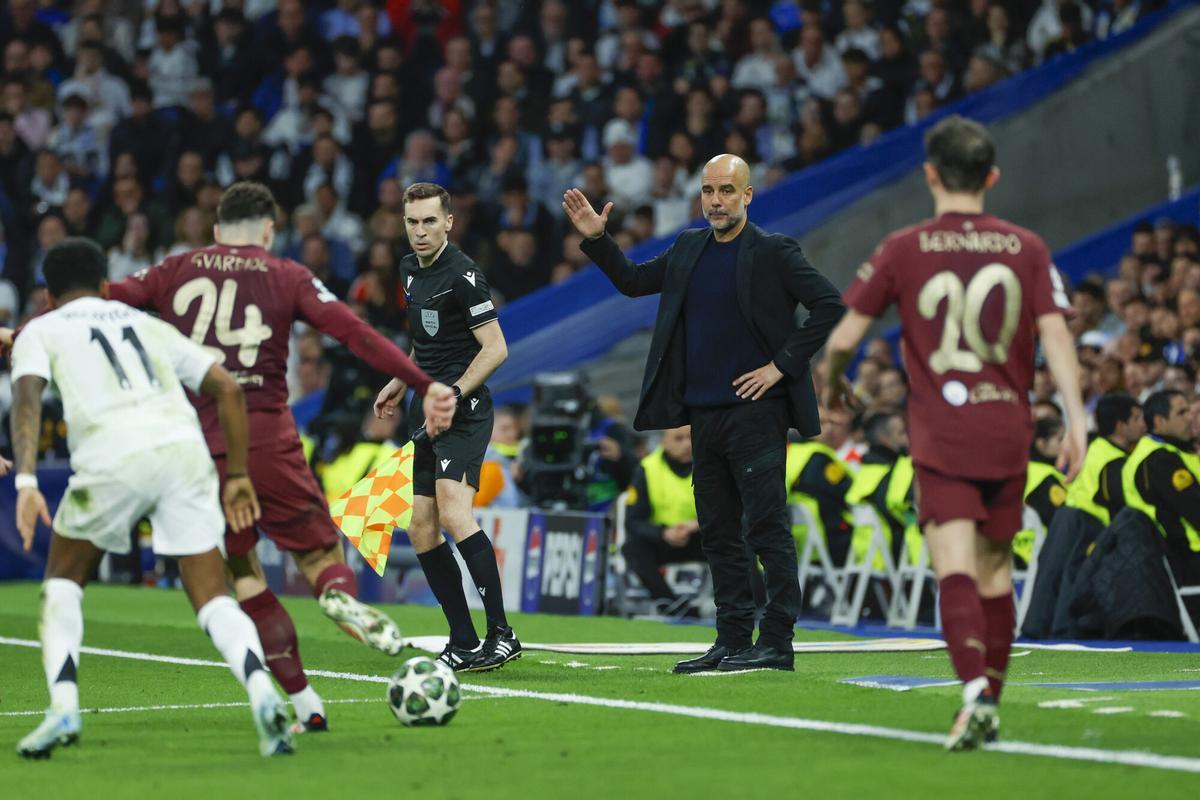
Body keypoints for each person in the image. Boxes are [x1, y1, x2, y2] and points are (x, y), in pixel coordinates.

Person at [104, 181, 456, 733]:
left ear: (218, 231)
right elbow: (355, 333)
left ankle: (306, 705)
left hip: (196, 444)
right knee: (319, 556)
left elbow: (97, 303)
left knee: (242, 574)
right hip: (265, 433)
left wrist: (20, 333)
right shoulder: (285, 274)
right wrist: (422, 382)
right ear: (268, 231)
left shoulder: (174, 269)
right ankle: (336, 595)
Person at [823, 115, 1085, 750]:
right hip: (1007, 425)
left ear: (930, 174)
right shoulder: (1027, 247)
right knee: (997, 572)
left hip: (941, 429)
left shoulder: (903, 247)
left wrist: (832, 381)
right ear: (991, 176)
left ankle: (972, 693)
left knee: (954, 569)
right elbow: (1056, 335)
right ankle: (988, 699)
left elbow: (843, 339)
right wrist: (1079, 420)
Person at [562, 153, 845, 673]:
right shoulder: (689, 247)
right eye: (708, 191)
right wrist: (598, 240)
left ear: (748, 196)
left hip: (758, 413)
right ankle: (733, 638)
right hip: (703, 416)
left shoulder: (774, 252)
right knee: (717, 531)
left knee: (765, 528)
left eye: (726, 191)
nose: (715, 201)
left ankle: (777, 641)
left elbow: (831, 305)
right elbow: (633, 281)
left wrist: (780, 367)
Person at [11, 238, 293, 758]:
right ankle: (261, 692)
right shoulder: (146, 323)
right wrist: (236, 476)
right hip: (184, 453)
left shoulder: (43, 329)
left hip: (112, 455)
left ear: (48, 297)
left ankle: (64, 707)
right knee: (212, 595)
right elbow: (228, 389)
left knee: (63, 581)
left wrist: (26, 482)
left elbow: (26, 396)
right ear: (103, 285)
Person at [373, 182, 518, 673]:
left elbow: (495, 348)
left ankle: (502, 634)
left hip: (464, 408)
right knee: (419, 525)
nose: (420, 231)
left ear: (449, 222)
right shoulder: (409, 271)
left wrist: (454, 393)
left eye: (430, 221)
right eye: (412, 222)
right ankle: (461, 638)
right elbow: (425, 341)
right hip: (425, 406)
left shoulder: (464, 275)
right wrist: (399, 380)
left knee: (456, 513)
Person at [1020, 393, 1144, 639]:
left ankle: (1040, 631)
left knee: (1053, 581)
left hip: (1069, 518)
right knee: (1071, 585)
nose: (1144, 424)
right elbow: (1121, 504)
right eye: (1138, 418)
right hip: (1088, 525)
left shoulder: (1093, 447)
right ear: (1121, 426)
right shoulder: (1114, 461)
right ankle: (1067, 633)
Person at [1121, 390, 1200, 603]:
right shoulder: (1158, 460)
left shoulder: (1176, 451)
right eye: (1181, 412)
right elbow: (1196, 509)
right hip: (1187, 560)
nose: (1190, 416)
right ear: (1160, 421)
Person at [621, 426, 705, 608]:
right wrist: (663, 533)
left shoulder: (711, 463)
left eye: (691, 437)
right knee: (633, 548)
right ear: (663, 442)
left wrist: (696, 525)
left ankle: (750, 604)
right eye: (678, 439)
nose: (687, 444)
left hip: (702, 534)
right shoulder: (647, 469)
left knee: (738, 540)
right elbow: (633, 521)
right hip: (664, 539)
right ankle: (671, 606)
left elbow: (728, 509)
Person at [1013, 415, 1067, 567]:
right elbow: (1060, 522)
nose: (1065, 444)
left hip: (1020, 552)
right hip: (1043, 555)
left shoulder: (1025, 470)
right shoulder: (1046, 478)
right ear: (1041, 444)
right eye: (1060, 439)